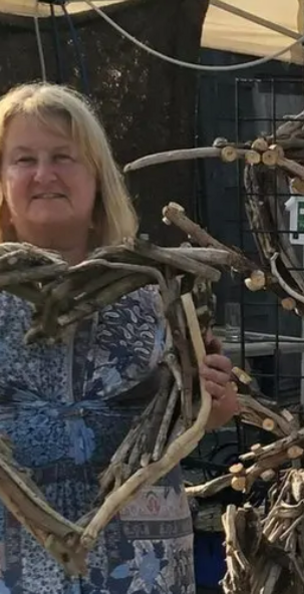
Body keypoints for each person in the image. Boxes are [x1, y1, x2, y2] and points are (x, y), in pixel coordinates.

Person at [0, 81, 240, 593]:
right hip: (12, 560)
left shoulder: (156, 288)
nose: (44, 174)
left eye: (64, 156)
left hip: (137, 563)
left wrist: (213, 402)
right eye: (23, 159)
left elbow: (197, 417)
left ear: (97, 178)